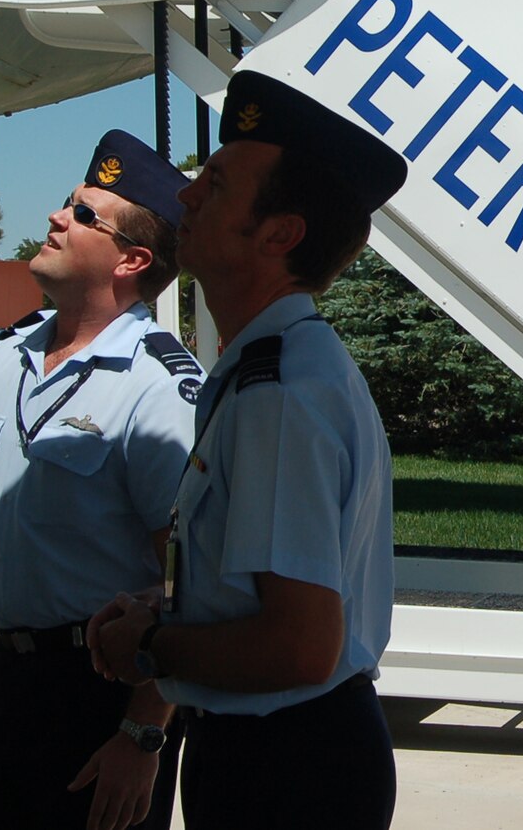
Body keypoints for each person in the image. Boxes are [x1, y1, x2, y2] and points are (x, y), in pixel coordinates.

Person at [88, 70, 408, 830]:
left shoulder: (280, 394)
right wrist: (178, 606)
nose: (187, 197)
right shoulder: (272, 368)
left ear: (278, 234)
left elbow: (297, 647)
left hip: (285, 769)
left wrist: (153, 644)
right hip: (283, 753)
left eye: (218, 186)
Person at [0, 131, 201, 830]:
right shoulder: (7, 358)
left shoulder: (158, 386)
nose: (57, 217)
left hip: (105, 692)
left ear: (132, 260)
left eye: (84, 215)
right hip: (5, 682)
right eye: (66, 204)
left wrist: (144, 733)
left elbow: (190, 567)